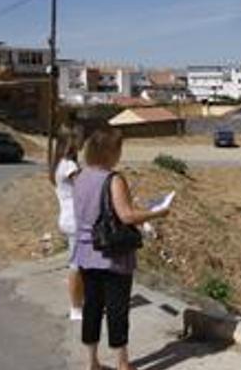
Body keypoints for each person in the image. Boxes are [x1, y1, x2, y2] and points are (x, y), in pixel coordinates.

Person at [72, 128, 169, 370]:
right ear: (109, 151)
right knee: (117, 310)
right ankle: (122, 364)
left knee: (92, 307)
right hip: (112, 255)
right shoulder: (113, 179)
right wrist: (156, 212)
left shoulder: (80, 176)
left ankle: (92, 362)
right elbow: (126, 216)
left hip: (85, 251)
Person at [51, 130, 84, 321]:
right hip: (75, 219)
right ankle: (75, 308)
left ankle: (81, 301)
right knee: (76, 266)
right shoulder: (70, 165)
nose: (79, 146)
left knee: (79, 264)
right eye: (76, 142)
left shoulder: (58, 165)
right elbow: (83, 188)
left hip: (67, 217)